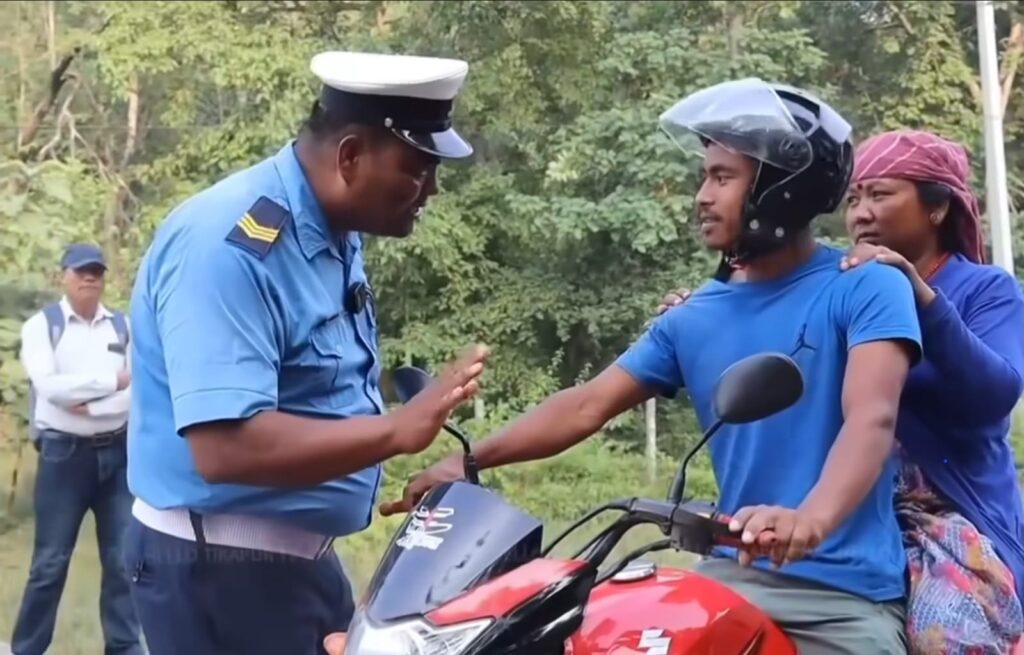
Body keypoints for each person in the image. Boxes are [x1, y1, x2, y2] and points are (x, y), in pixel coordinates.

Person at [382, 78, 922, 653]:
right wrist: (467, 461)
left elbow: (871, 418)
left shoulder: (865, 285)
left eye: (723, 177)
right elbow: (586, 405)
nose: (702, 197)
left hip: (842, 597)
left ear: (781, 190)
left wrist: (810, 519)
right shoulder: (694, 317)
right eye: (704, 177)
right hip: (731, 576)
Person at [122, 50, 488, 655]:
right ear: (350, 156)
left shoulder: (330, 231)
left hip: (296, 565)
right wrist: (396, 431)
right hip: (219, 569)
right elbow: (223, 447)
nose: (430, 190)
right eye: (416, 170)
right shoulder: (229, 246)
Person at [658, 129, 1024, 654]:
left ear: (937, 208)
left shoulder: (986, 290)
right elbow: (784, 362)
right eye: (854, 199)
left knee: (945, 634)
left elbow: (995, 395)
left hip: (945, 519)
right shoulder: (842, 286)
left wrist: (922, 298)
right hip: (845, 507)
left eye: (881, 195)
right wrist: (701, 322)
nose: (861, 213)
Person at [12, 243, 141, 655]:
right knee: (50, 563)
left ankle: (124, 648)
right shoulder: (43, 327)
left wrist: (89, 403)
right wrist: (111, 383)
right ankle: (28, 649)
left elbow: (137, 390)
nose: (89, 278)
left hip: (117, 457)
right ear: (63, 276)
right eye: (81, 270)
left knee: (123, 561)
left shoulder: (122, 326)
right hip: (63, 456)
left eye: (97, 272)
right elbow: (49, 388)